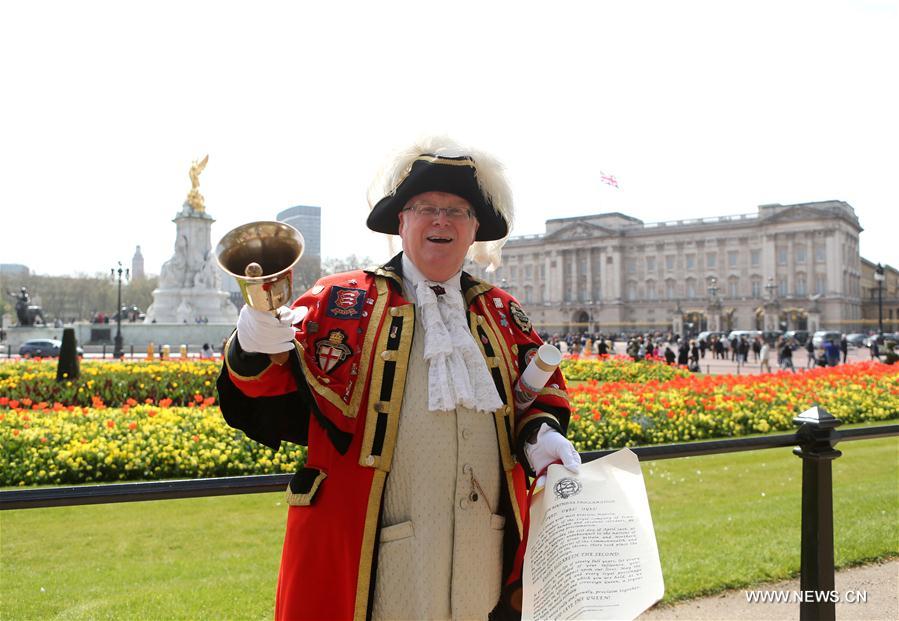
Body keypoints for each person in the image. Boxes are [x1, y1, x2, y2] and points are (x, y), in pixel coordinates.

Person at [216, 138, 578, 620]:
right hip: (375, 556)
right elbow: (268, 406)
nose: (442, 221)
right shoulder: (338, 300)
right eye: (426, 208)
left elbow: (534, 396)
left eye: (458, 211)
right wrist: (256, 340)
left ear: (475, 231)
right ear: (401, 222)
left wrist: (540, 436)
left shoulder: (502, 311)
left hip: (482, 552)